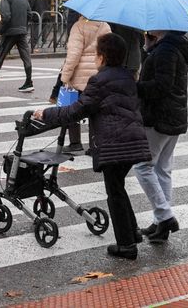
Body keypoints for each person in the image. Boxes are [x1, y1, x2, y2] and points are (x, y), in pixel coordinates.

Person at [33, 33, 150, 260]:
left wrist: (46, 113)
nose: (95, 57)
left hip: (114, 144)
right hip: (133, 141)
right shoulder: (129, 77)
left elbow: (77, 110)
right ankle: (132, 233)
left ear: (103, 57)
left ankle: (126, 245)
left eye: (96, 53)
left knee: (114, 193)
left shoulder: (99, 81)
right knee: (119, 188)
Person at [134, 29, 188, 240]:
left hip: (159, 117)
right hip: (173, 115)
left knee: (142, 165)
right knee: (162, 169)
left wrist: (136, 87)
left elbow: (161, 86)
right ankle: (161, 223)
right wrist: (149, 47)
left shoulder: (166, 50)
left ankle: (165, 216)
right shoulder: (173, 47)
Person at [56, 14, 112, 153]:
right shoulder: (105, 26)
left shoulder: (79, 26)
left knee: (74, 109)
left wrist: (65, 77)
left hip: (80, 76)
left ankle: (75, 143)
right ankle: (95, 146)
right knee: (96, 111)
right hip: (98, 74)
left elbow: (73, 55)